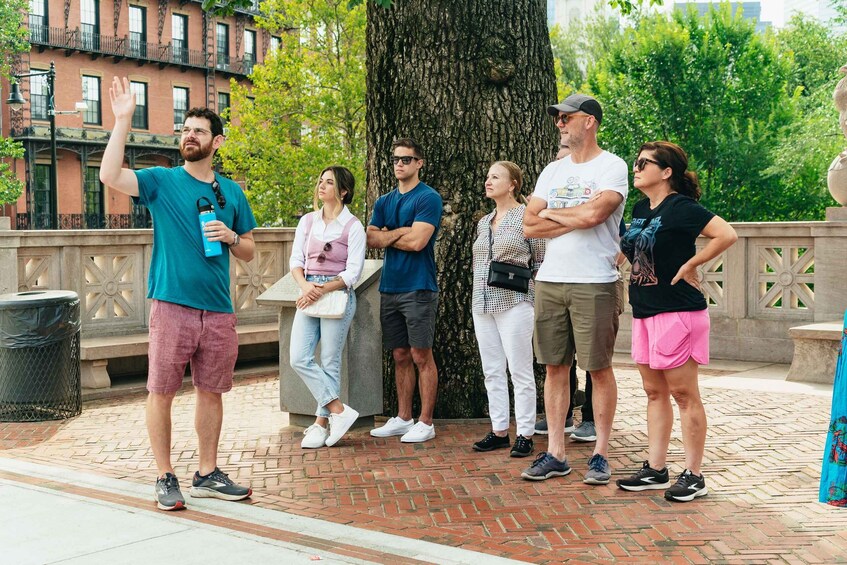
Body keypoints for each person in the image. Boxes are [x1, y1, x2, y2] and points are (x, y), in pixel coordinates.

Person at [100, 77, 256, 511]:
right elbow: (109, 174)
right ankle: (165, 475)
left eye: (199, 130)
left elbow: (249, 248)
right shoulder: (162, 182)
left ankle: (207, 472)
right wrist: (123, 120)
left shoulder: (232, 192)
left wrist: (229, 235)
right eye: (186, 129)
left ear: (216, 141)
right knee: (161, 390)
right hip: (171, 306)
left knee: (212, 391)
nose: (190, 135)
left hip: (219, 312)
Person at [616, 141, 737, 502]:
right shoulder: (639, 208)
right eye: (635, 162)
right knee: (654, 392)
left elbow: (726, 234)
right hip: (644, 311)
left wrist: (691, 265)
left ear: (666, 172)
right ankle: (656, 469)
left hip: (678, 312)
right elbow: (630, 248)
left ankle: (694, 475)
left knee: (684, 394)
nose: (635, 168)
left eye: (643, 163)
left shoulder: (682, 208)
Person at [521, 93, 628, 484]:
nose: (560, 123)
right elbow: (529, 225)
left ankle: (600, 453)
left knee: (598, 368)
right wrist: (573, 217)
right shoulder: (552, 170)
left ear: (590, 122)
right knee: (554, 367)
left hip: (594, 282)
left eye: (568, 117)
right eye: (558, 118)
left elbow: (598, 214)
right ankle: (555, 452)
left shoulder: (611, 166)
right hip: (550, 279)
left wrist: (552, 212)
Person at [367, 138, 443, 443]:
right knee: (399, 354)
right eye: (396, 159)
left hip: (419, 287)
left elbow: (417, 242)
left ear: (419, 163)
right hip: (390, 287)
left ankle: (426, 421)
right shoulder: (384, 201)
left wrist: (389, 234)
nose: (400, 164)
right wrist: (401, 232)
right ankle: (403, 418)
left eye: (406, 160)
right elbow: (371, 239)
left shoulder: (428, 198)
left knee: (421, 354)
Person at [470, 161, 546, 458]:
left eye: (496, 177)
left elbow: (539, 260)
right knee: (492, 370)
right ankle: (499, 430)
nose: (488, 181)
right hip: (482, 302)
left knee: (520, 369)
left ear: (513, 183)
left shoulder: (526, 216)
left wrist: (535, 297)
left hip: (515, 301)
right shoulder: (483, 221)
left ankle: (525, 433)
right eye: (487, 176)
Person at [289, 167, 366, 449]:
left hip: (336, 295)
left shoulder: (353, 226)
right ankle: (339, 411)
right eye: (320, 180)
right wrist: (306, 287)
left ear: (343, 191)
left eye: (329, 182)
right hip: (308, 292)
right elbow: (295, 261)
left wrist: (318, 290)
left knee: (330, 361)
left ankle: (321, 425)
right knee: (298, 357)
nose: (321, 186)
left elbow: (352, 273)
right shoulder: (308, 222)